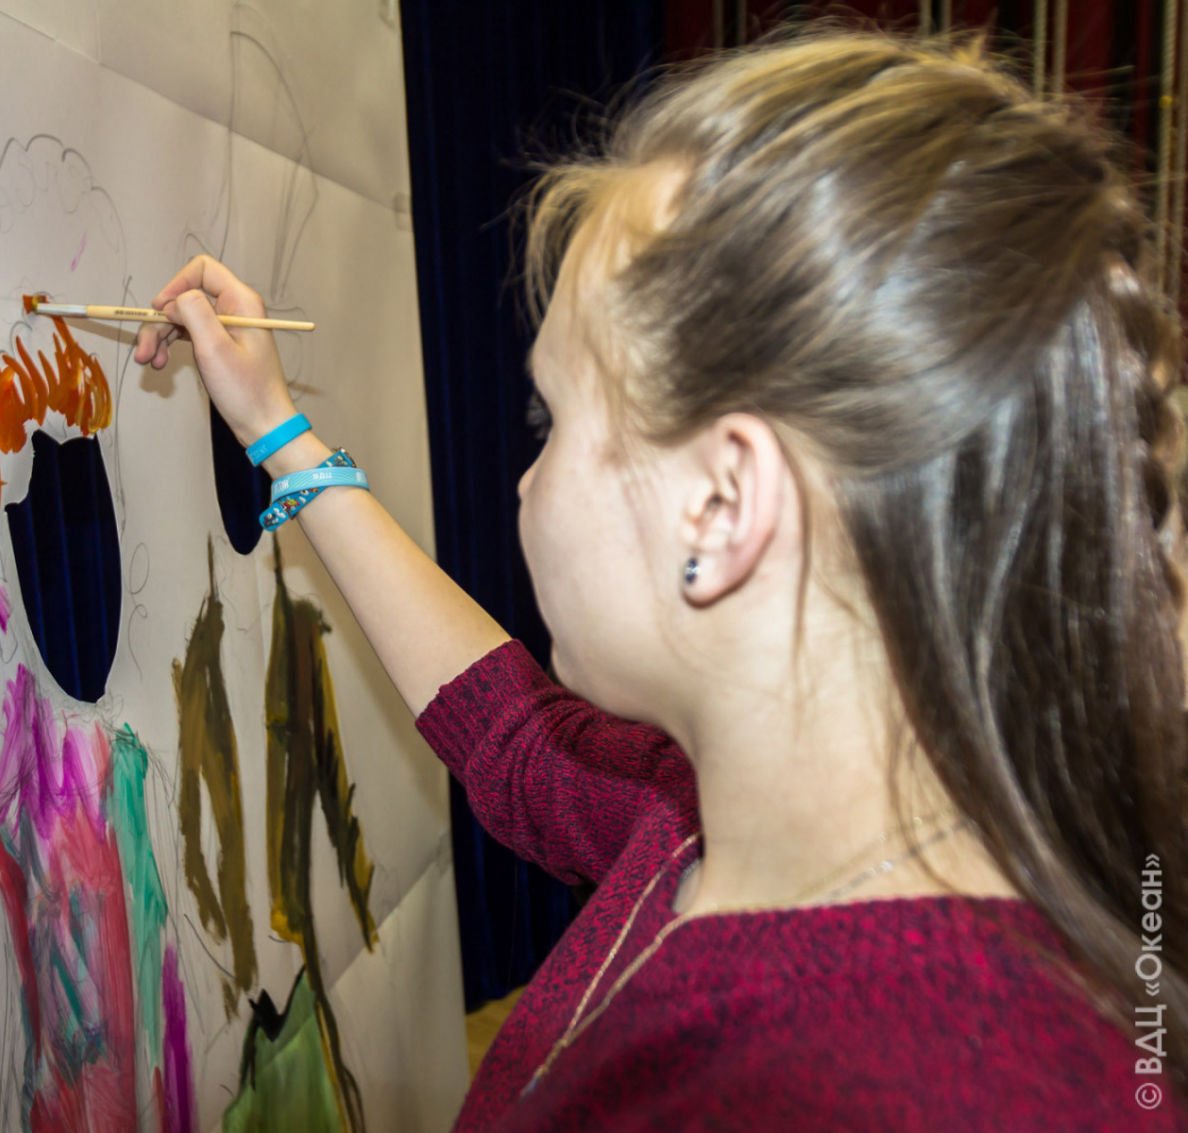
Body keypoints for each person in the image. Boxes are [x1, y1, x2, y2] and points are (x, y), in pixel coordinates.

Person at [134, 27, 1187, 1131]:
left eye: (552, 418)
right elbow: (514, 740)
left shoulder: (877, 1086)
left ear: (722, 505)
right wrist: (277, 432)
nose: (525, 479)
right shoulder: (729, 818)